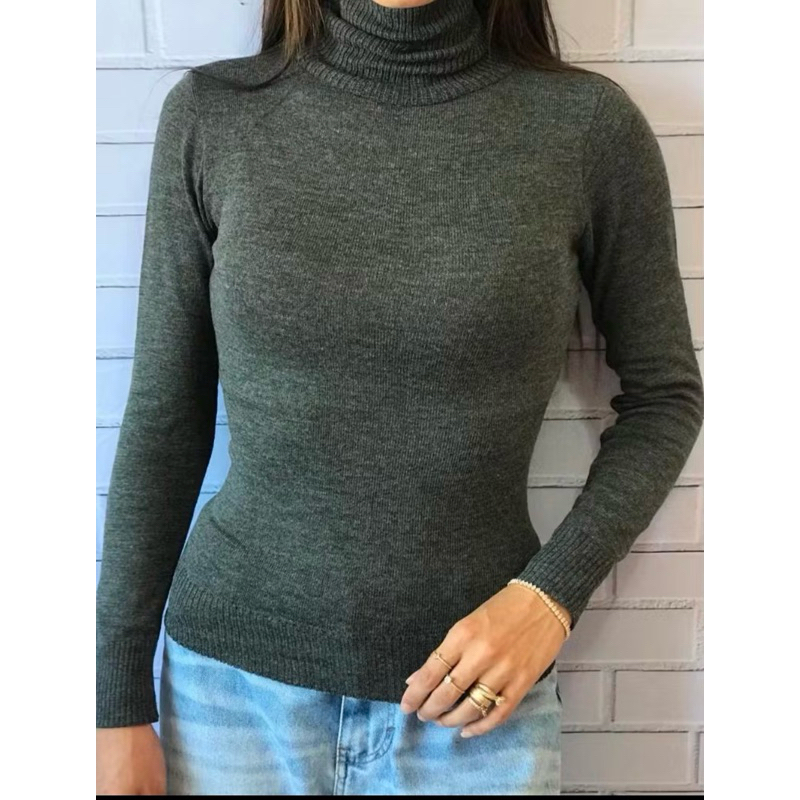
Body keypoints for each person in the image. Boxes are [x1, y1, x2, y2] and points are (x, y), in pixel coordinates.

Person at [95, 0, 704, 794]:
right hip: (232, 704)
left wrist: (548, 599)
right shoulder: (214, 117)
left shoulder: (584, 128)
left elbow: (665, 398)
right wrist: (114, 702)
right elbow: (165, 420)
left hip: (476, 707)